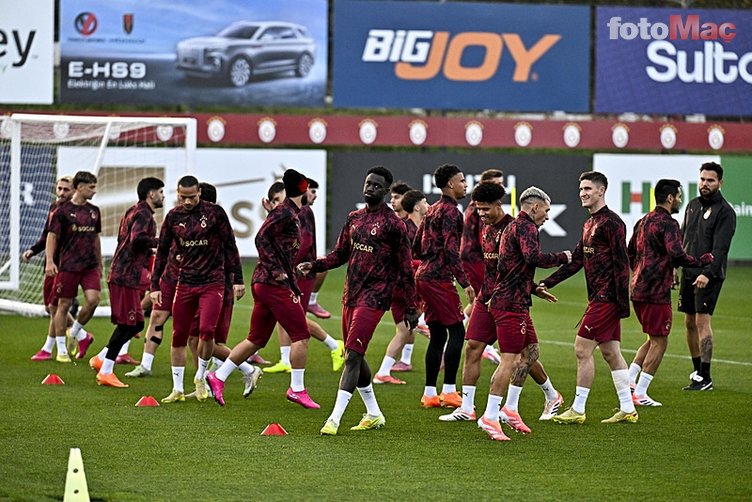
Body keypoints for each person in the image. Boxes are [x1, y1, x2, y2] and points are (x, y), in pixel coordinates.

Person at [297, 166, 418, 435]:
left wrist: (411, 307)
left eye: (376, 185)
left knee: (352, 355)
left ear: (386, 191)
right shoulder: (354, 218)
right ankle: (373, 413)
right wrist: (314, 265)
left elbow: (406, 268)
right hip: (350, 295)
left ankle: (334, 419)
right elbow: (339, 254)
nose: (370, 188)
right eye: (368, 183)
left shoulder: (394, 225)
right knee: (355, 354)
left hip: (375, 298)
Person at [440, 182, 564, 424]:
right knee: (473, 348)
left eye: (485, 209)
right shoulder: (486, 229)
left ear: (499, 205)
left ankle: (549, 395)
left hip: (508, 300)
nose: (481, 214)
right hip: (487, 297)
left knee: (524, 354)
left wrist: (532, 289)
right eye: (478, 209)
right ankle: (467, 407)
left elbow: (517, 270)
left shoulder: (514, 228)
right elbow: (493, 269)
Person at [207, 169, 319, 409]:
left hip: (266, 283)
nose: (312, 193)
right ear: (302, 189)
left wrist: (289, 273)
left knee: (255, 340)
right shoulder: (285, 212)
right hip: (272, 283)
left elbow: (275, 241)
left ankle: (218, 376)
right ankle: (297, 389)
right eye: (309, 188)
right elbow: (261, 238)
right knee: (301, 336)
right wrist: (277, 269)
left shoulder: (290, 213)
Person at [474, 187, 571, 441]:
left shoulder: (511, 228)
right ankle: (490, 416)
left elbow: (509, 268)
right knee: (509, 360)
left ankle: (511, 408)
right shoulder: (526, 227)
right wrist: (563, 257)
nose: (547, 216)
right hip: (510, 305)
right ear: (535, 207)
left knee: (531, 353)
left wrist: (534, 289)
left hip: (514, 300)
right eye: (546, 210)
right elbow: (533, 257)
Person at [543, 171, 638, 425]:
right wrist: (547, 282)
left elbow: (622, 264)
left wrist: (622, 304)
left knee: (581, 348)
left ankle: (578, 408)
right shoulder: (589, 224)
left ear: (601, 190)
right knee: (611, 352)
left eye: (587, 189)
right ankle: (628, 408)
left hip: (607, 298)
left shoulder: (613, 223)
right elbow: (577, 261)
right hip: (599, 298)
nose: (582, 193)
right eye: (580, 189)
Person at [151, 175, 245, 403]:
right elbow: (162, 252)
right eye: (182, 197)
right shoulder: (173, 217)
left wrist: (238, 279)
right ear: (177, 194)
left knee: (206, 331)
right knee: (179, 334)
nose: (187, 201)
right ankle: (177, 389)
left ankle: (201, 377)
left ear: (199, 193)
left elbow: (230, 246)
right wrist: (154, 285)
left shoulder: (215, 213)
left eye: (191, 197)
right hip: (185, 282)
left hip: (213, 282)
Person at [627, 179, 713, 405]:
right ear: (669, 198)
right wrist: (702, 261)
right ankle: (640, 393)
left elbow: (629, 252)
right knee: (660, 341)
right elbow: (677, 254)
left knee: (652, 338)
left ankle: (629, 380)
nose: (680, 200)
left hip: (637, 289)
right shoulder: (669, 223)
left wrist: (640, 271)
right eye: (678, 196)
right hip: (656, 292)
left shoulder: (643, 221)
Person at [88, 177, 164, 387]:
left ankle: (101, 358)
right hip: (126, 275)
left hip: (126, 273)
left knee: (136, 323)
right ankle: (106, 371)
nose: (162, 196)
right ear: (151, 194)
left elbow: (130, 241)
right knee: (128, 324)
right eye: (160, 192)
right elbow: (136, 239)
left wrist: (150, 250)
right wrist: (161, 242)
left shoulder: (134, 210)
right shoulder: (143, 214)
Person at [264, 178, 345, 375]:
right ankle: (285, 360)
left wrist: (289, 265)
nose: (277, 204)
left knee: (294, 316)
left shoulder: (303, 211)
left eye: (279, 199)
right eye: (274, 201)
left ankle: (335, 345)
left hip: (302, 273)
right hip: (291, 272)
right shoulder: (288, 213)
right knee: (281, 313)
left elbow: (305, 242)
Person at [413, 164, 474, 408]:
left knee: (437, 335)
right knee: (457, 332)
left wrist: (430, 258)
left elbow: (416, 245)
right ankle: (448, 391)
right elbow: (451, 250)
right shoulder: (452, 213)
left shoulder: (432, 210)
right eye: (462, 180)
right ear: (450, 184)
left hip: (424, 276)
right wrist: (465, 282)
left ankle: (429, 394)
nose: (465, 185)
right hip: (439, 279)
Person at [679, 162, 736, 391]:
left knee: (702, 321)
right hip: (688, 272)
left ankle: (706, 375)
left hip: (709, 275)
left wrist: (708, 273)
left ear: (720, 183)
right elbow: (683, 237)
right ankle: (697, 373)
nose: (705, 184)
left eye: (710, 180)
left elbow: (720, 249)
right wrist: (675, 267)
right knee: (689, 322)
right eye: (702, 179)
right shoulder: (692, 205)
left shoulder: (725, 212)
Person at [44, 171, 100, 363]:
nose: (94, 191)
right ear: (80, 187)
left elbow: (96, 237)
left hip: (90, 266)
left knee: (93, 300)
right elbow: (51, 236)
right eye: (91, 187)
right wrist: (50, 261)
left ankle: (75, 332)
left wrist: (99, 262)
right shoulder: (62, 211)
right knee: (63, 305)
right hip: (68, 265)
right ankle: (61, 350)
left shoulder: (94, 211)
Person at [373, 189, 427, 384]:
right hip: (402, 286)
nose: (428, 206)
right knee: (411, 327)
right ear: (417, 207)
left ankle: (385, 371)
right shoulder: (405, 228)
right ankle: (424, 325)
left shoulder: (421, 227)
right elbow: (398, 259)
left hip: (408, 285)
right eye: (425, 202)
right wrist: (424, 265)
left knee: (404, 331)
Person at [26, 176, 81, 361]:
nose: (62, 193)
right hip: (51, 263)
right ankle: (82, 336)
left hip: (66, 265)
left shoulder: (77, 213)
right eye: (59, 188)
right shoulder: (54, 208)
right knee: (50, 307)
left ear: (74, 191)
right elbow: (47, 236)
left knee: (55, 306)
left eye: (66, 189)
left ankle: (50, 349)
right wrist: (34, 250)